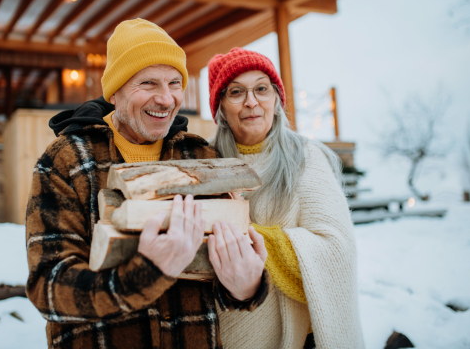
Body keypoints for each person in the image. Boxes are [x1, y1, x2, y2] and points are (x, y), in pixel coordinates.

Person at [25, 20, 269, 349]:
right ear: (115, 91)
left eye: (174, 83)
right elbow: (48, 287)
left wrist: (247, 286)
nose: (166, 99)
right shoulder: (66, 160)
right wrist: (148, 272)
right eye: (149, 83)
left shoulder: (200, 156)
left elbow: (221, 276)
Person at [207, 47, 363, 349]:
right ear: (221, 106)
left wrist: (250, 241)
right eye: (236, 92)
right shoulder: (205, 162)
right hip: (225, 329)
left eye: (261, 89)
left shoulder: (306, 157)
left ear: (277, 99)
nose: (251, 102)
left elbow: (337, 252)